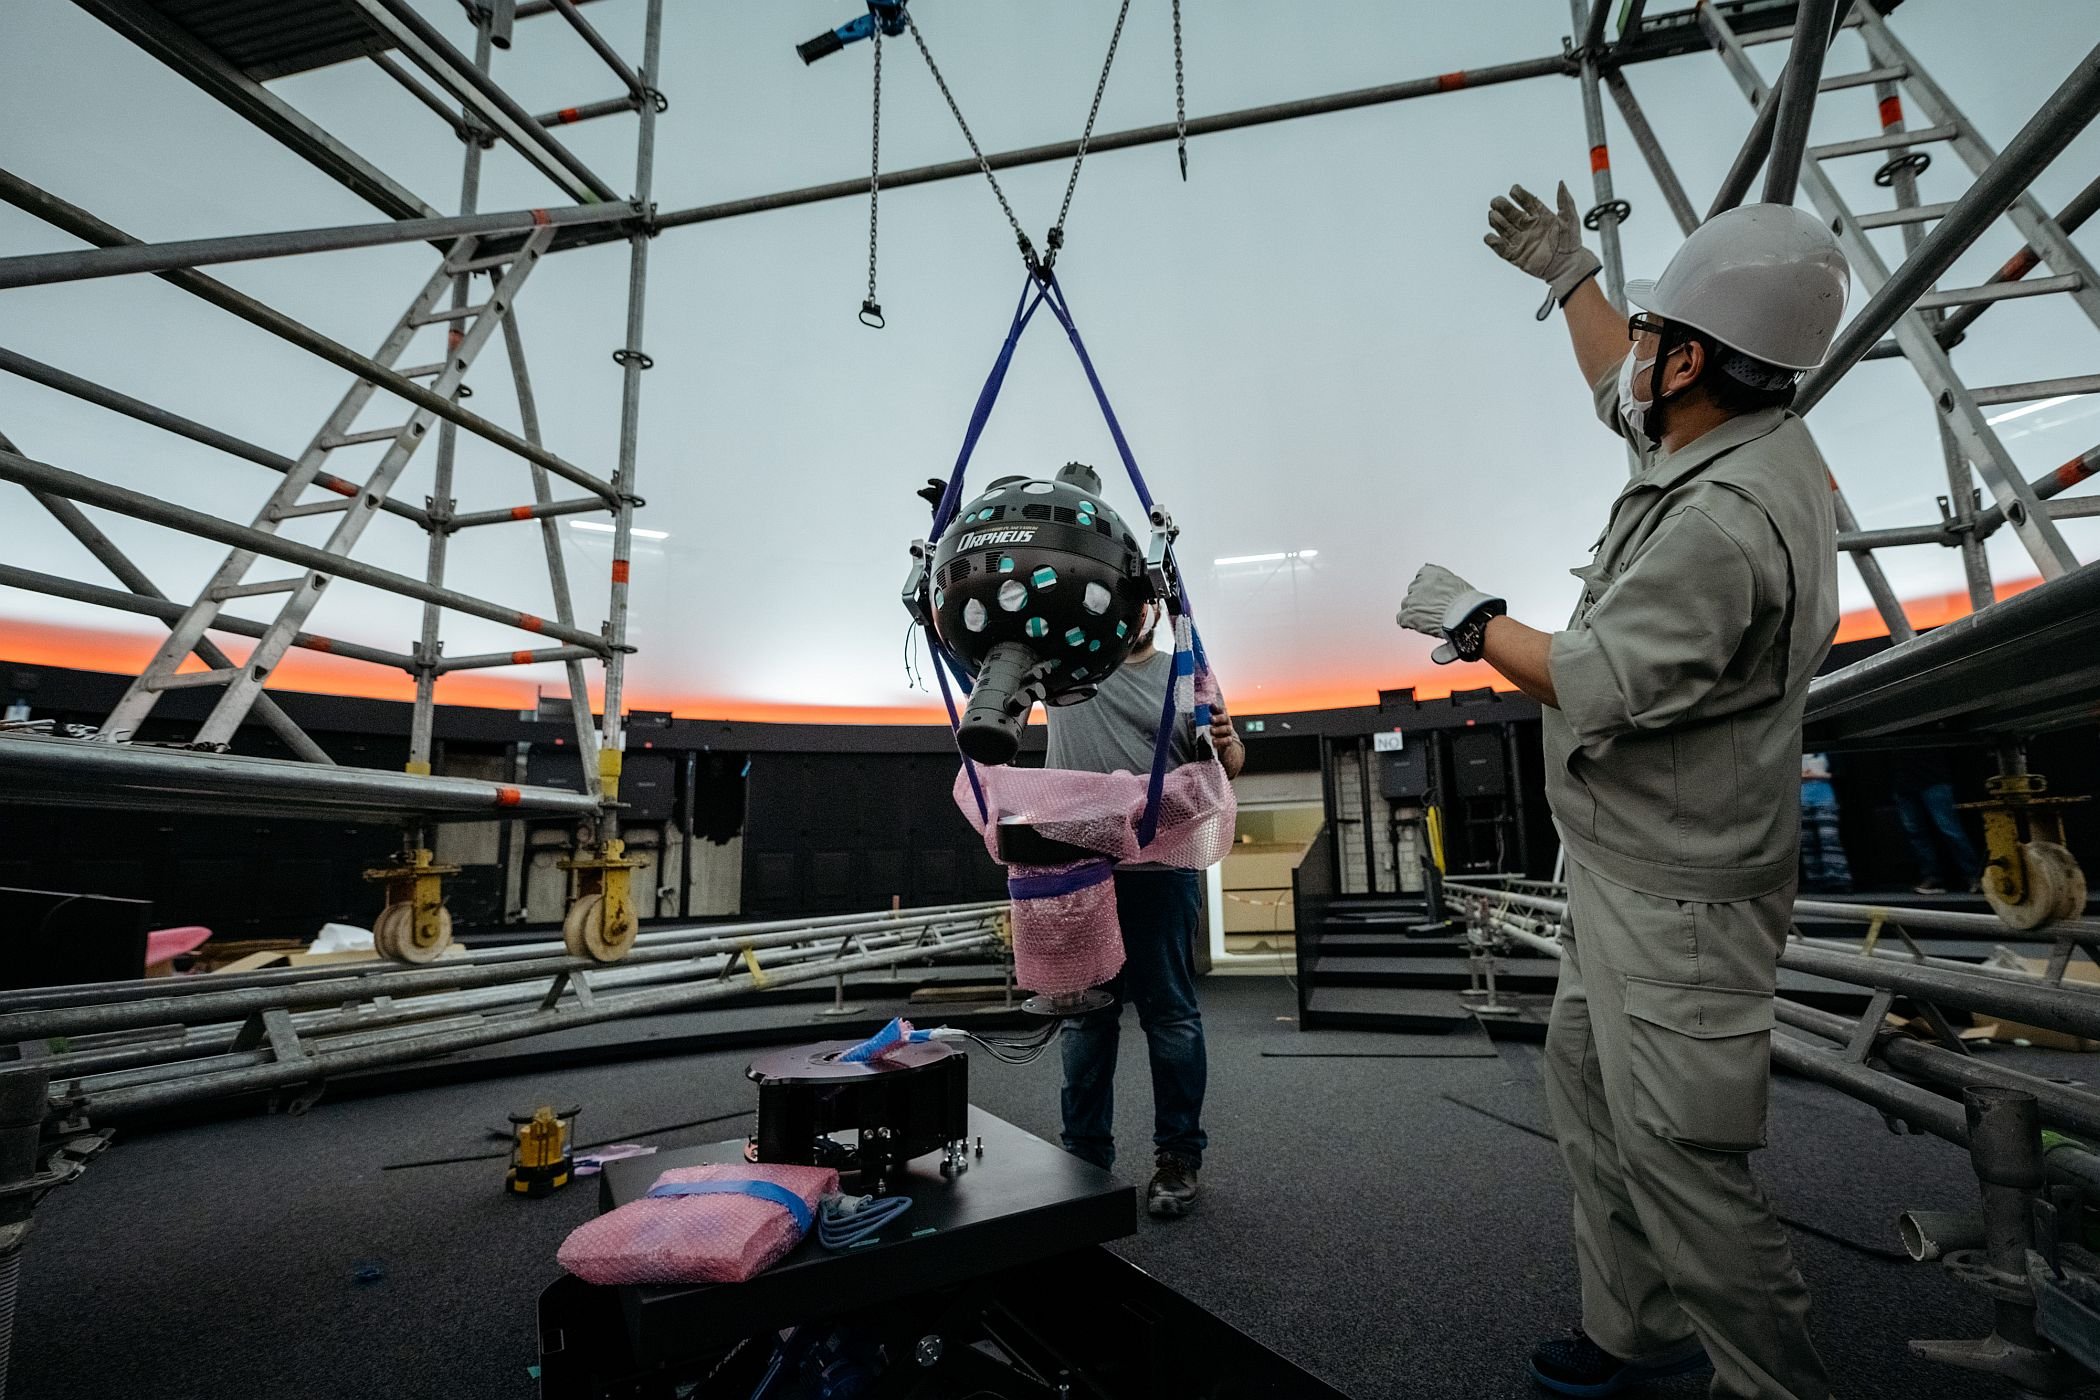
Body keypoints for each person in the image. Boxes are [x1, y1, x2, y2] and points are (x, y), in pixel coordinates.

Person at [1397, 183, 1849, 1400]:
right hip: (1632, 861)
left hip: (1682, 899)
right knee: (1594, 1092)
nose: (1633, 355)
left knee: (1684, 1160)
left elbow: (1591, 681)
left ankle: (1773, 1384)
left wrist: (1474, 619)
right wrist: (1570, 279)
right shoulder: (1732, 425)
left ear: (1695, 357)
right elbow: (1618, 390)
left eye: (1653, 334)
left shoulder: (1723, 520)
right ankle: (1634, 1335)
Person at [1045, 595, 1244, 1218]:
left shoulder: (1184, 675)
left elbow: (1228, 766)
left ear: (1153, 611)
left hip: (1161, 867)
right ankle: (1084, 1161)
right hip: (1078, 866)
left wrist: (1230, 741)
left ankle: (1178, 1159)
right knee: (1085, 1019)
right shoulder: (1062, 669)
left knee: (1171, 1016)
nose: (1124, 617)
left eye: (1134, 607)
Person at [1891, 748, 1980, 894]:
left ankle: (1970, 875)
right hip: (1911, 779)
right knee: (1922, 833)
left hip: (1927, 777)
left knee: (1946, 830)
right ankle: (1942, 876)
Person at [1798, 753, 1852, 893]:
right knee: (1807, 842)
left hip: (1825, 798)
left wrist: (1813, 775)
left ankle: (1838, 878)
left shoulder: (1827, 754)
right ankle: (1815, 879)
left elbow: (1838, 773)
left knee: (1829, 838)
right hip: (1802, 799)